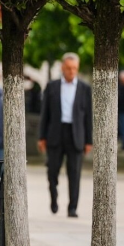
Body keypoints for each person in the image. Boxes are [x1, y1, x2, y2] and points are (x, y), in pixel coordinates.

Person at [39, 52, 93, 218]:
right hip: (56, 133)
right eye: (68, 68)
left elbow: (88, 116)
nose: (71, 71)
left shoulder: (84, 89)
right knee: (52, 170)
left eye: (74, 68)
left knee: (74, 173)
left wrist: (89, 141)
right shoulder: (52, 86)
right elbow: (45, 113)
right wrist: (42, 137)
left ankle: (72, 208)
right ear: (63, 67)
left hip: (76, 134)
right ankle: (54, 198)